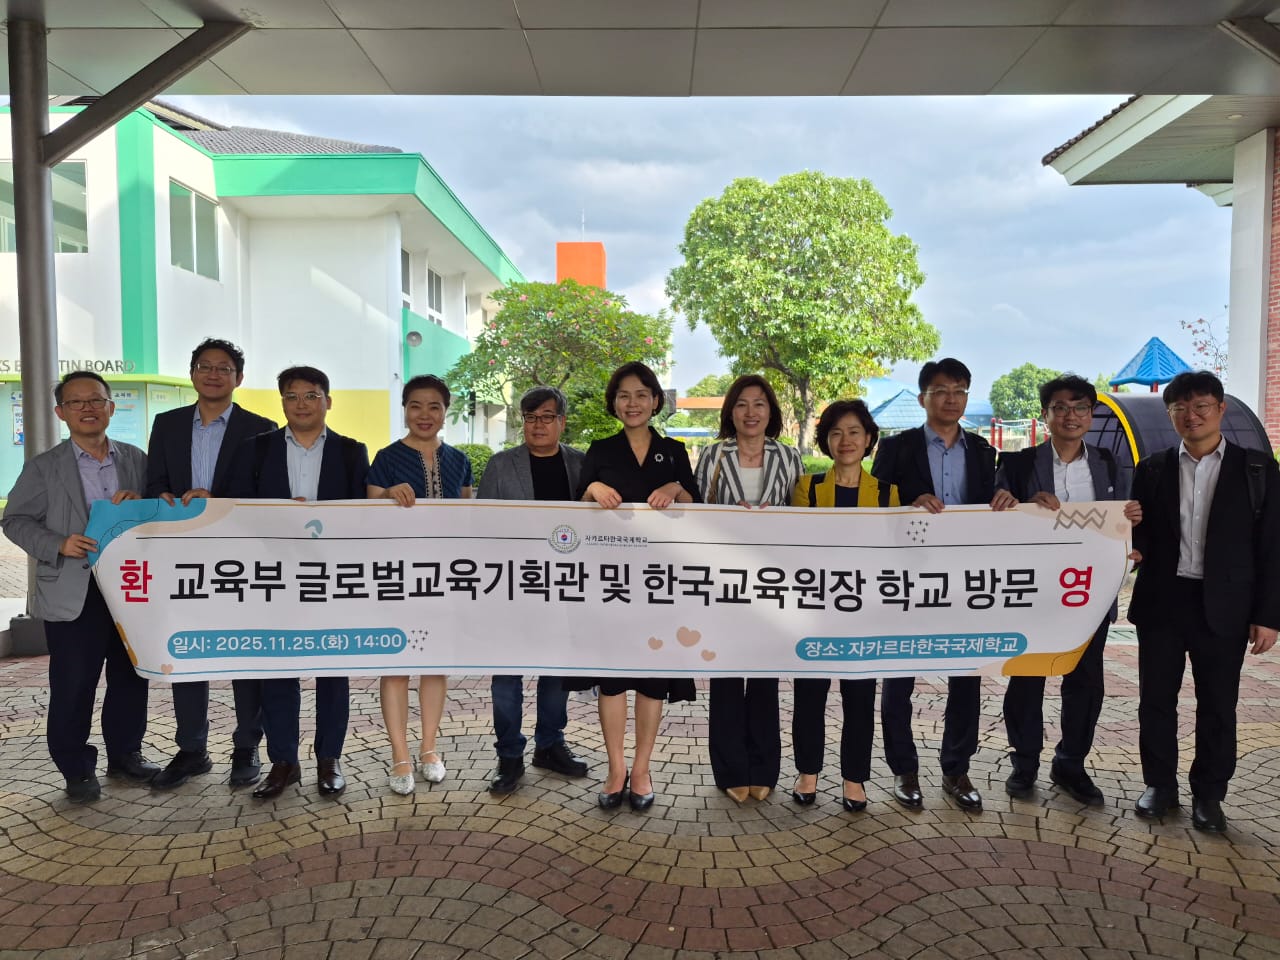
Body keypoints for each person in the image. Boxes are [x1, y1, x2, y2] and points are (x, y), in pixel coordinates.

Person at [1129, 371, 1280, 833]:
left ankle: (1210, 794)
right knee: (1156, 700)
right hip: (1162, 602)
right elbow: (1142, 535)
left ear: (1220, 409)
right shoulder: (1152, 468)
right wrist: (1130, 540)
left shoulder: (1257, 469)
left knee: (1217, 704)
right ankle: (1159, 785)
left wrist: (1268, 616)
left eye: (1201, 407)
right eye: (1180, 409)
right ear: (1170, 414)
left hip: (1225, 605)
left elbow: (1272, 546)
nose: (1191, 416)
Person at [2, 371, 159, 803]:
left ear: (111, 407)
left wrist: (144, 505)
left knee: (131, 676)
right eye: (76, 402)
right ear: (61, 412)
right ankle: (75, 768)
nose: (88, 408)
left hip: (130, 587)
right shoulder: (44, 466)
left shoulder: (136, 459)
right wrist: (58, 544)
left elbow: (158, 512)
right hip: (74, 589)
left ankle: (125, 755)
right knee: (74, 683)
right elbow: (14, 520)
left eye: (96, 400)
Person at [871, 357, 1017, 811]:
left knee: (966, 676)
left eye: (959, 390)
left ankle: (957, 769)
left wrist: (1007, 499)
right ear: (923, 398)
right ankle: (904, 770)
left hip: (964, 581)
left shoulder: (983, 451)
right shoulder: (896, 448)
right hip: (907, 579)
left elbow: (992, 508)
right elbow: (873, 510)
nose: (951, 399)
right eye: (941, 390)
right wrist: (907, 503)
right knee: (899, 677)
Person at [223, 366, 368, 800]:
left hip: (331, 577)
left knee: (332, 671)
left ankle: (330, 759)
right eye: (292, 396)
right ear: (282, 401)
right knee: (277, 671)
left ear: (328, 401)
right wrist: (280, 516)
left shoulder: (351, 451)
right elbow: (236, 511)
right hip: (273, 577)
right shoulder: (255, 449)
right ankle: (283, 761)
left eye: (311, 395)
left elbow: (363, 517)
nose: (301, 404)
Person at [996, 374, 1140, 805]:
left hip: (1089, 595)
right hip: (1034, 593)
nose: (1070, 416)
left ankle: (1070, 764)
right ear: (1046, 414)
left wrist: (1132, 529)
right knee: (1026, 680)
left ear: (1091, 415)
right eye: (1060, 407)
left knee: (1085, 683)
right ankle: (1024, 763)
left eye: (1080, 408)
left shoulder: (1111, 465)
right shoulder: (1018, 464)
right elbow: (995, 521)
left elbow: (1126, 522)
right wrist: (1017, 506)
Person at [566, 361, 700, 812]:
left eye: (642, 394)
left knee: (651, 679)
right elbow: (577, 504)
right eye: (624, 395)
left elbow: (696, 505)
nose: (633, 403)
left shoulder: (674, 451)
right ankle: (615, 768)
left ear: (656, 400)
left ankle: (641, 769)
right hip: (611, 584)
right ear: (614, 403)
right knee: (612, 679)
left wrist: (675, 488)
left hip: (660, 583)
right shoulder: (600, 450)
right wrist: (593, 489)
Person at [145, 338, 278, 790]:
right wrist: (162, 496)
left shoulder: (261, 429)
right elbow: (154, 483)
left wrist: (215, 502)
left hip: (240, 560)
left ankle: (247, 746)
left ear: (239, 378)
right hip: (182, 559)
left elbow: (264, 496)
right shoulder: (166, 424)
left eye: (224, 368)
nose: (214, 374)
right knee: (188, 650)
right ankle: (191, 749)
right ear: (193, 373)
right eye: (205, 366)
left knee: (243, 652)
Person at [693, 373, 802, 803]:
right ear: (731, 412)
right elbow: (698, 516)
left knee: (763, 677)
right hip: (723, 581)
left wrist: (774, 521)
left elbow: (802, 517)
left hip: (771, 582)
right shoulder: (713, 455)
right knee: (725, 676)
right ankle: (730, 769)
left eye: (759, 403)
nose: (751, 412)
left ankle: (763, 767)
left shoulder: (788, 457)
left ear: (771, 411)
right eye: (742, 404)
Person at [475, 386, 591, 793]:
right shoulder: (501, 465)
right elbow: (482, 528)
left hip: (564, 588)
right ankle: (509, 756)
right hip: (511, 587)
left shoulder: (580, 464)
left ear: (562, 421)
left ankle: (549, 745)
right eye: (530, 417)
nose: (537, 425)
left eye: (546, 417)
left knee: (556, 673)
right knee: (506, 678)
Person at [789, 399, 900, 812]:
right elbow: (798, 547)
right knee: (809, 698)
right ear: (826, 441)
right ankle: (807, 773)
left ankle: (854, 779)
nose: (845, 440)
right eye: (836, 433)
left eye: (854, 432)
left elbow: (894, 555)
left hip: (866, 614)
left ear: (869, 439)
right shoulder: (809, 487)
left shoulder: (887, 493)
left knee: (860, 700)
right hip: (817, 611)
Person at [367, 374, 473, 794]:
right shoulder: (386, 457)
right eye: (415, 405)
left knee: (435, 663)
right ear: (405, 410)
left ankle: (429, 749)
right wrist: (387, 494)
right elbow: (366, 510)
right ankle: (400, 755)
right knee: (395, 665)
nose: (424, 414)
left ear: (446, 412)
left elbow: (467, 515)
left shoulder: (460, 460)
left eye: (434, 406)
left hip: (444, 575)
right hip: (397, 574)